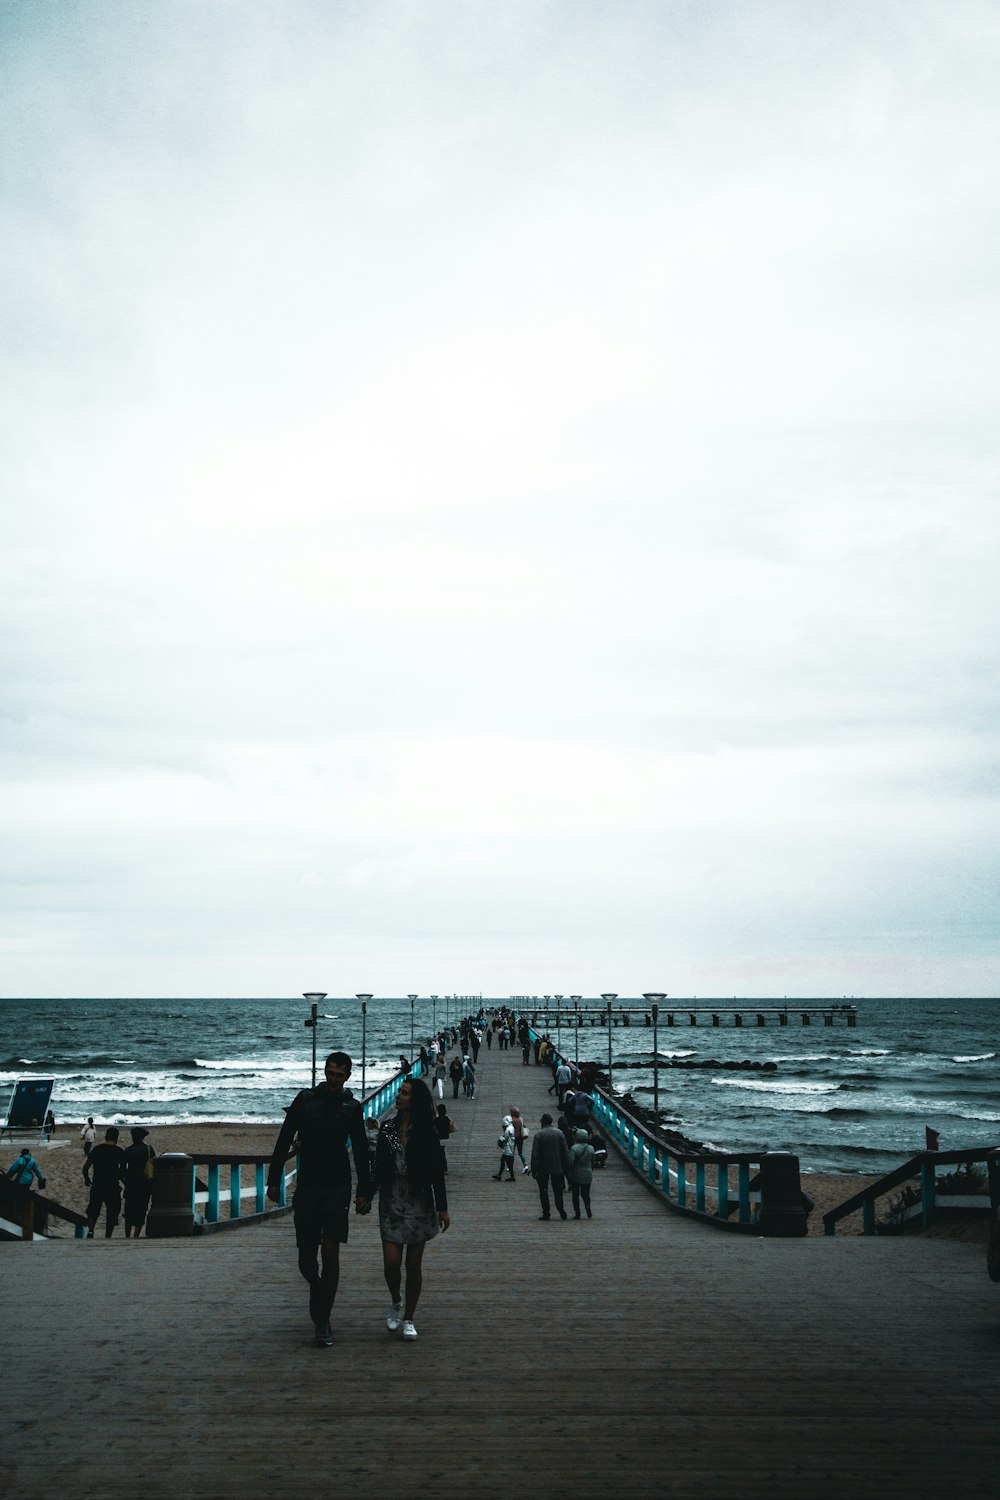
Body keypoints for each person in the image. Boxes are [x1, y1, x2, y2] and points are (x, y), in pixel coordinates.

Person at [266, 1050, 373, 1348]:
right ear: (324, 1071)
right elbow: (284, 1137)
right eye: (330, 1072)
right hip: (309, 1185)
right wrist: (274, 1179)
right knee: (306, 1258)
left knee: (330, 1249)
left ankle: (323, 1321)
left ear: (348, 1076)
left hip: (338, 1184)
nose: (334, 1078)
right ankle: (316, 1287)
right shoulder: (305, 1100)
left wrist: (365, 1190)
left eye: (340, 1074)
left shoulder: (352, 1108)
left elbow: (362, 1150)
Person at [373, 1078, 449, 1341]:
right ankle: (396, 1300)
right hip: (391, 1197)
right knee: (391, 1262)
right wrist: (366, 1194)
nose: (398, 1097)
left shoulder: (426, 1130)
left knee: (413, 1265)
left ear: (414, 1100)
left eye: (404, 1093)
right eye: (399, 1092)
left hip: (419, 1199)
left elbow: (437, 1171)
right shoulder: (390, 1129)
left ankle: (409, 1318)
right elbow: (379, 1164)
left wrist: (443, 1207)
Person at [83, 1127, 126, 1238]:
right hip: (112, 1185)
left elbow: (85, 1167)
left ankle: (91, 1231)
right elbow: (122, 1172)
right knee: (112, 1211)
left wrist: (87, 1179)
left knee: (93, 1209)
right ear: (116, 1138)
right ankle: (108, 1235)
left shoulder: (97, 1149)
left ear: (106, 1136)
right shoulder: (119, 1151)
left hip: (98, 1184)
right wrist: (125, 1183)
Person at [530, 1113, 571, 1221]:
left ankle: (546, 1212)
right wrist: (567, 1168)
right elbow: (565, 1152)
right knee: (558, 1190)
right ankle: (561, 1209)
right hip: (557, 1166)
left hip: (543, 1168)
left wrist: (534, 1170)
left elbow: (535, 1155)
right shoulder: (560, 1133)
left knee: (543, 1191)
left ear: (542, 1122)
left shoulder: (539, 1135)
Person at [122, 1127, 156, 1238]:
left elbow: (122, 1169)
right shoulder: (149, 1149)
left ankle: (127, 1235)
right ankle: (136, 1235)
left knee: (129, 1210)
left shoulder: (128, 1150)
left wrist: (125, 1180)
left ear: (133, 1137)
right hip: (145, 1183)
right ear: (143, 1137)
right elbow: (154, 1165)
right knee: (141, 1209)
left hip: (131, 1183)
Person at [568, 1129, 596, 1218]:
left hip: (576, 1174)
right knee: (586, 1194)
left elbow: (571, 1162)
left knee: (575, 1194)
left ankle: (577, 1213)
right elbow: (593, 1162)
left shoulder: (574, 1148)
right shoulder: (591, 1148)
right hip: (587, 1173)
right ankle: (587, 1206)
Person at [493, 1115, 516, 1181]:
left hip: (508, 1148)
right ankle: (501, 1175)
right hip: (510, 1148)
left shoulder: (508, 1129)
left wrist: (500, 1139)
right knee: (505, 1161)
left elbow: (505, 1138)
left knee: (506, 1162)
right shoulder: (512, 1127)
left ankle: (503, 1176)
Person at [433, 1103, 455, 1171]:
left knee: (439, 1154)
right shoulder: (447, 1119)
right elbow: (451, 1126)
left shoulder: (435, 1120)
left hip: (438, 1138)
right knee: (442, 1154)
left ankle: (442, 1168)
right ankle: (444, 1168)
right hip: (446, 1138)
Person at [510, 1105, 530, 1172]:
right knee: (520, 1153)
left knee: (511, 1153)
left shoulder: (512, 1120)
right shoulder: (520, 1119)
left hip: (513, 1138)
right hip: (520, 1138)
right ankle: (525, 1165)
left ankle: (510, 1165)